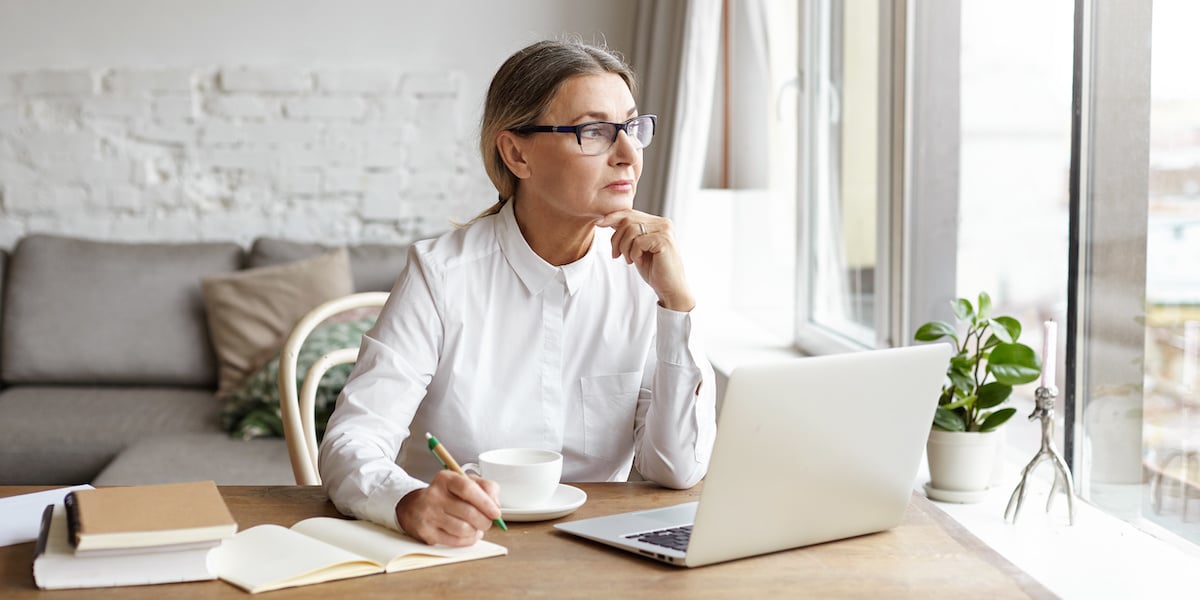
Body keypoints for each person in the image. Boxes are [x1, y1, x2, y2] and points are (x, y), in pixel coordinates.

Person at [318, 38, 717, 547]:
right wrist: (408, 502)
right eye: (594, 131)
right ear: (516, 153)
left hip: (600, 554)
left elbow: (676, 471)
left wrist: (677, 308)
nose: (627, 154)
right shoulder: (441, 275)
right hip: (462, 551)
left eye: (632, 127)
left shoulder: (645, 275)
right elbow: (353, 439)